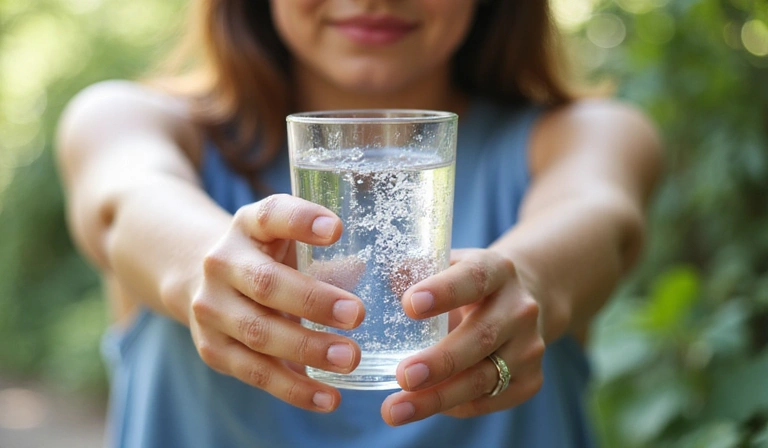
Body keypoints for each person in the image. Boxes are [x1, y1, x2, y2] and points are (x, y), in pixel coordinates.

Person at [56, 1, 661, 447]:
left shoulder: (588, 133)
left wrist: (526, 280)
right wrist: (203, 270)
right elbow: (130, 202)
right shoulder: (129, 119)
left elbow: (598, 218)